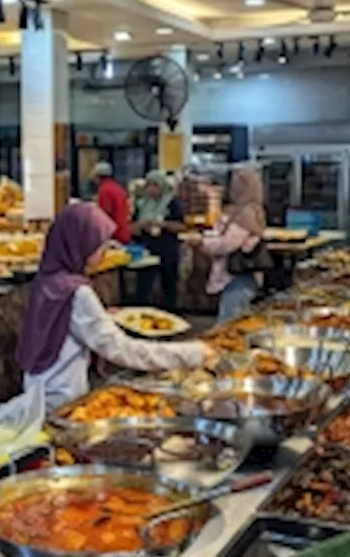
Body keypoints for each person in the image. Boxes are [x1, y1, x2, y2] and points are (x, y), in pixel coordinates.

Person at [18, 203, 214, 409]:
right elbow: (120, 349)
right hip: (62, 397)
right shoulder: (77, 292)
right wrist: (191, 353)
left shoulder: (50, 278)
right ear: (79, 243)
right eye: (98, 243)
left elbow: (63, 323)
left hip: (38, 390)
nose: (106, 249)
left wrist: (100, 316)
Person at [201, 164, 267, 321]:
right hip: (242, 275)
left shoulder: (246, 214)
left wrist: (203, 243)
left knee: (228, 322)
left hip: (238, 276)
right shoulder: (250, 209)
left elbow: (228, 243)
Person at [132, 170, 184, 310]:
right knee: (143, 287)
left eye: (155, 185)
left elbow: (181, 226)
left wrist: (163, 225)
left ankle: (169, 316)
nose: (151, 189)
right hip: (147, 251)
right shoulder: (141, 204)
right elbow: (132, 227)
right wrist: (139, 226)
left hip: (167, 250)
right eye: (148, 185)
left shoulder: (172, 203)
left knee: (168, 287)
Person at [92, 162, 132, 244]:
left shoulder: (104, 190)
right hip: (123, 231)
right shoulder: (117, 187)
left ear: (97, 176)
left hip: (115, 234)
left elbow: (105, 213)